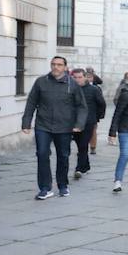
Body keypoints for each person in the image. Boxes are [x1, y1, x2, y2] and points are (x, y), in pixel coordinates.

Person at [21, 56, 88, 200]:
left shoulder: (72, 84)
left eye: (59, 65)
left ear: (65, 67)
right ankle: (45, 188)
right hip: (43, 125)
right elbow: (31, 102)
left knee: (63, 156)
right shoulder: (41, 82)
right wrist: (26, 122)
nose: (56, 67)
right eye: (53, 64)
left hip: (64, 126)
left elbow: (82, 106)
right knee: (42, 154)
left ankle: (63, 185)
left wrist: (79, 124)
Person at [70, 69, 106, 180]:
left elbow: (102, 104)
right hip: (74, 123)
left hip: (89, 122)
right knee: (80, 144)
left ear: (85, 77)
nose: (77, 79)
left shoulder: (94, 90)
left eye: (79, 77)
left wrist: (97, 117)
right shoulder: (70, 89)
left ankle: (79, 169)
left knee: (83, 145)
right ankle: (86, 165)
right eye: (75, 77)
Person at [84, 67, 104, 153]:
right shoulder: (80, 86)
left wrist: (99, 114)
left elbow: (101, 102)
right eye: (87, 76)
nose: (88, 78)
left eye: (90, 76)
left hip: (93, 113)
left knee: (93, 130)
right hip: (83, 112)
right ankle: (83, 146)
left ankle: (93, 147)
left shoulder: (96, 88)